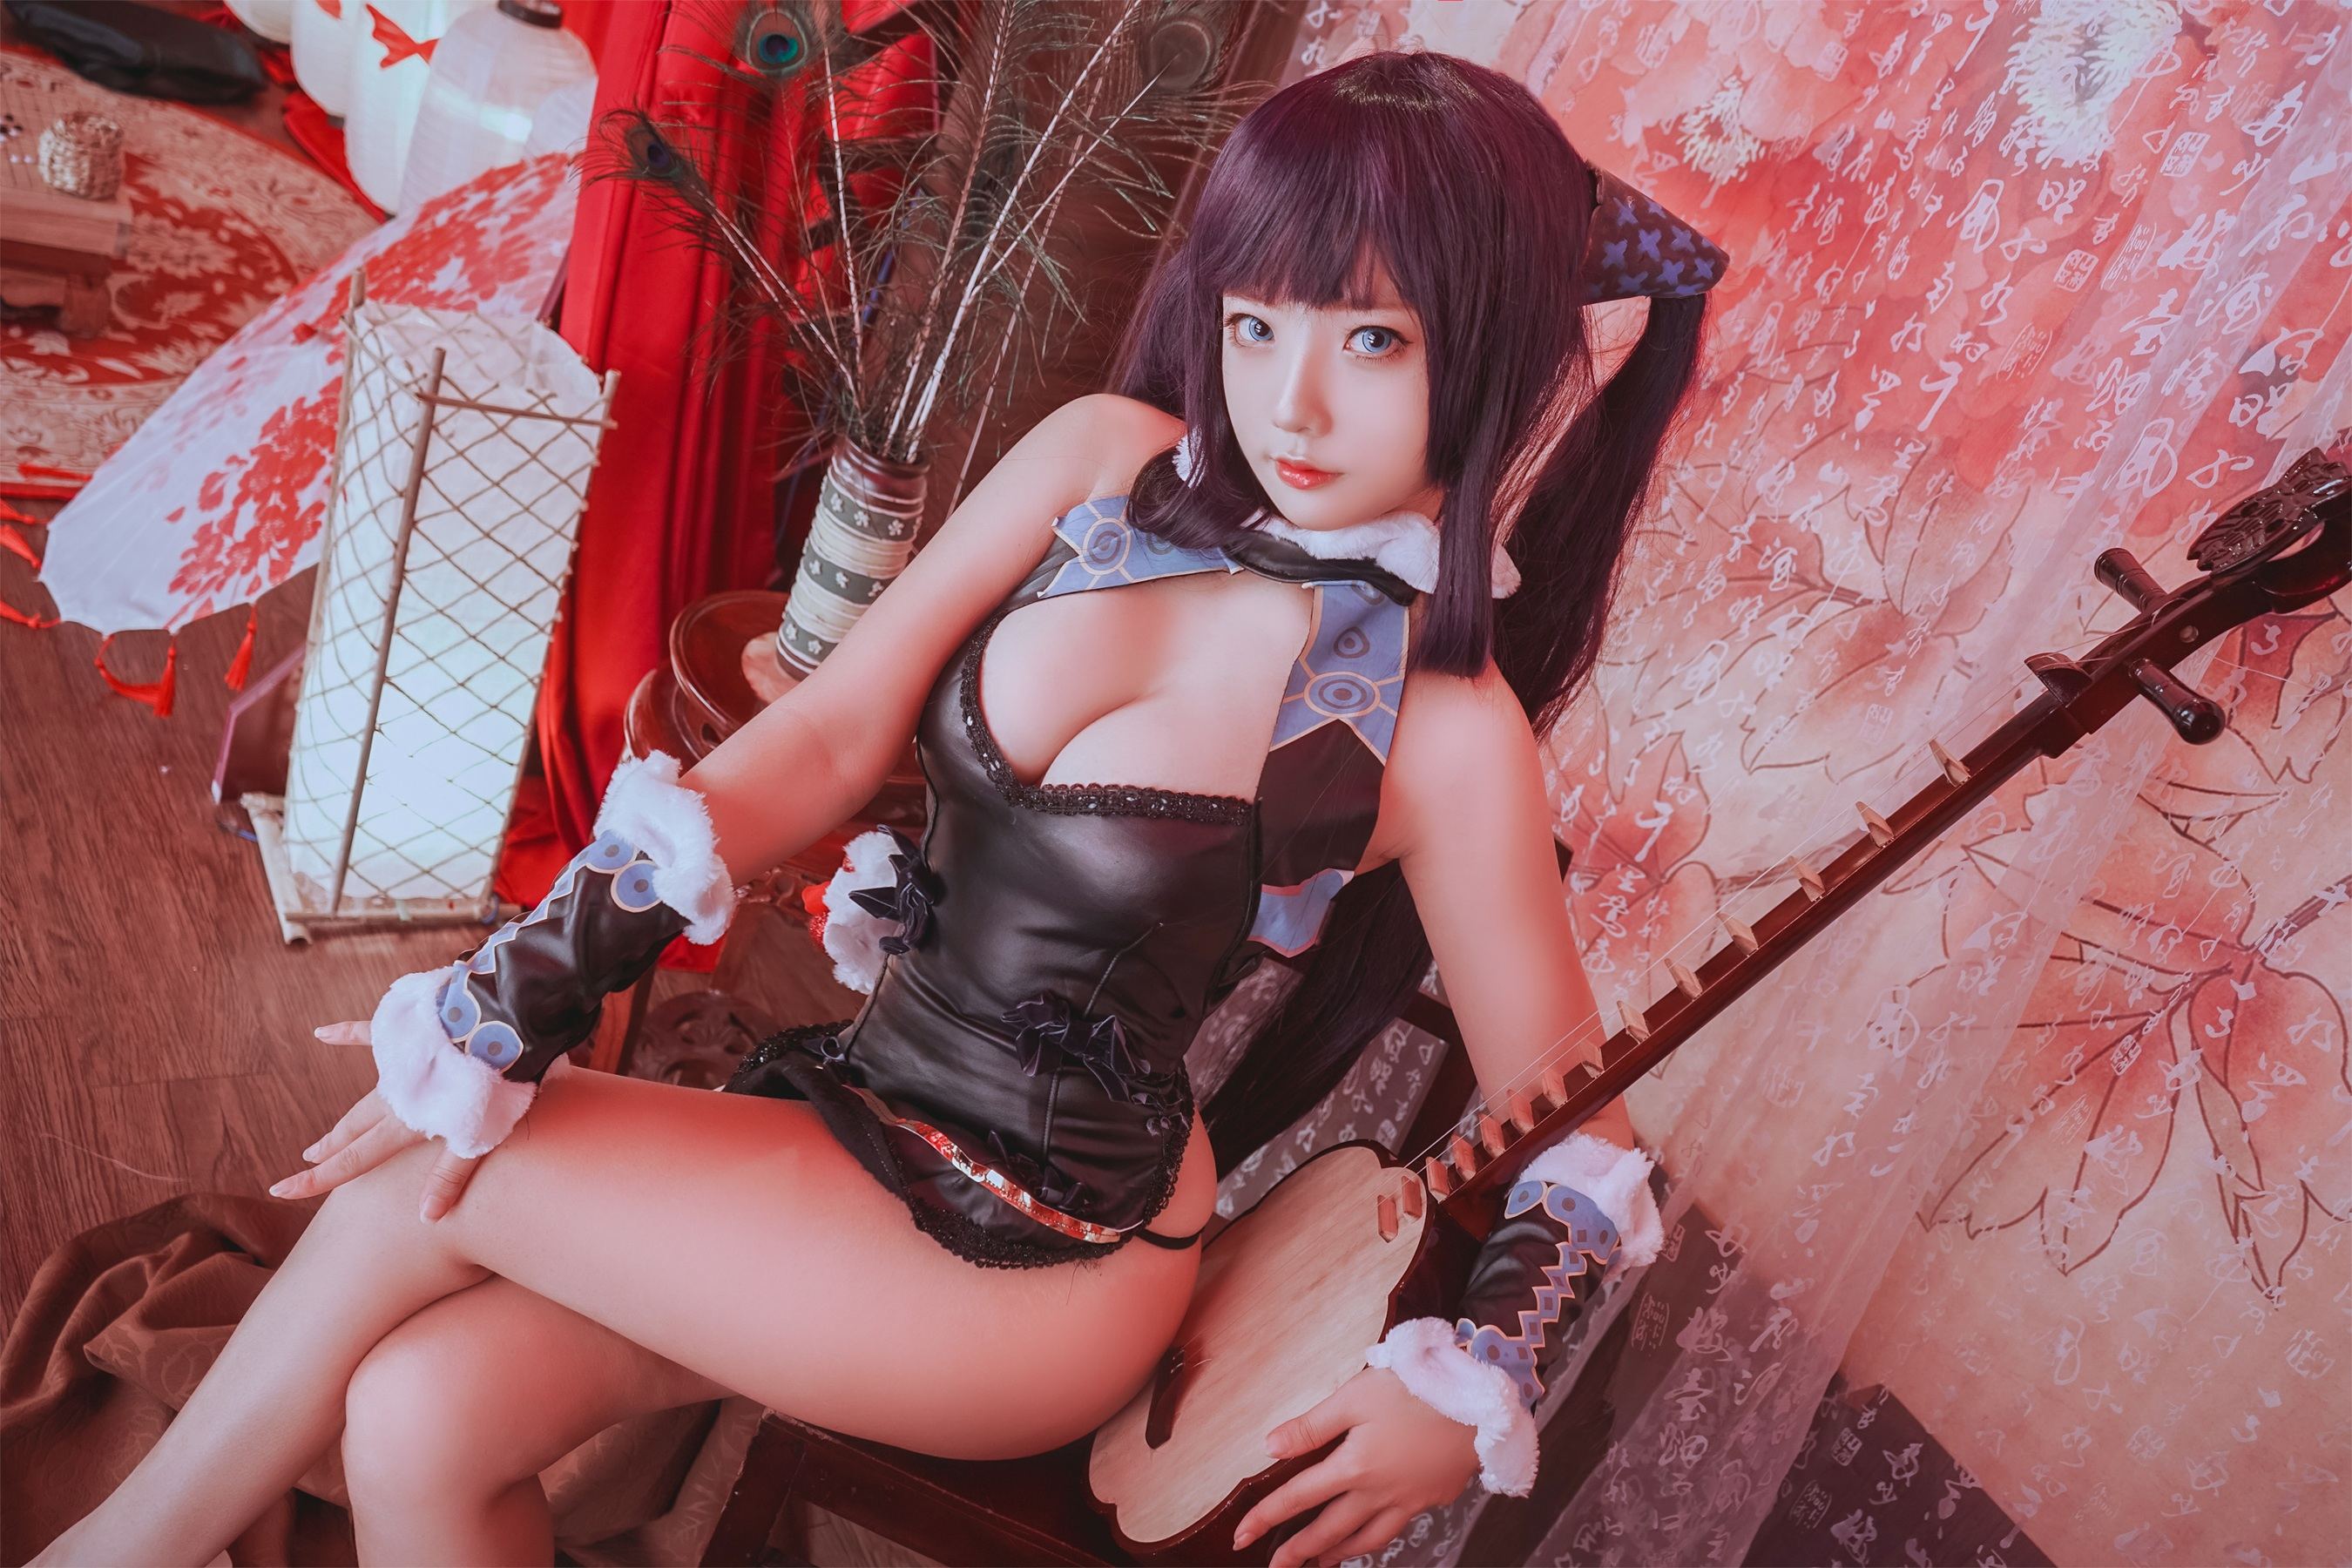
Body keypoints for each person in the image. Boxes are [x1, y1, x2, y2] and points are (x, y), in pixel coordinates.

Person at [31, 49, 1721, 1568]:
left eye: (1373, 341)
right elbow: (832, 735)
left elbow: (1581, 1132)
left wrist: (1468, 1388)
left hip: (1040, 1265)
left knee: (434, 1168)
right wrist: (524, 979)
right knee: (419, 1417)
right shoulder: (1101, 462)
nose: (1290, 402)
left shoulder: (1443, 730)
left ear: (1491, 358)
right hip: (860, 1106)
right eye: (1258, 321)